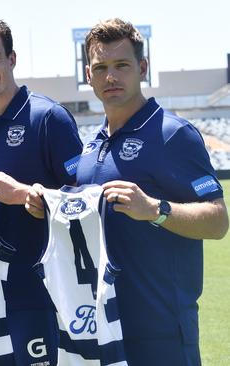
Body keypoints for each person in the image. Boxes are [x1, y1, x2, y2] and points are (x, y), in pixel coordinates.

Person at [27, 18, 228, 365]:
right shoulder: (90, 149)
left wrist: (155, 209)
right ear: (88, 75)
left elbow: (218, 221)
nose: (111, 77)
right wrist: (47, 206)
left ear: (142, 68)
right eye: (100, 67)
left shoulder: (173, 134)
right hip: (101, 327)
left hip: (161, 331)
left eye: (121, 65)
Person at [0, 19, 83, 365]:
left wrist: (27, 194)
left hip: (38, 291)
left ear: (12, 59)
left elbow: (84, 201)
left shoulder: (49, 118)